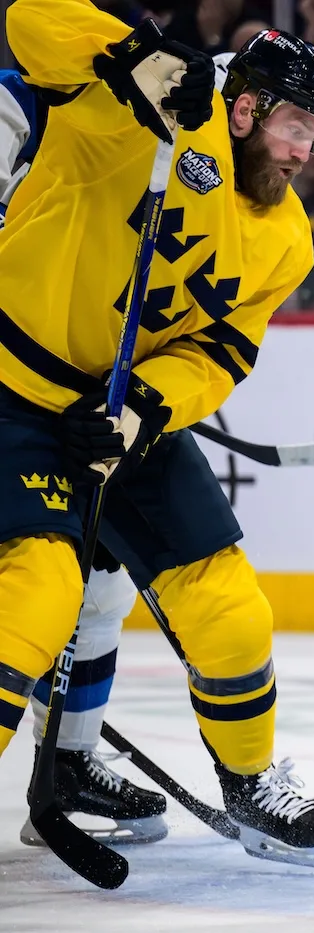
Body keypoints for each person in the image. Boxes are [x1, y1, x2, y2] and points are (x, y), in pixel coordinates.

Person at [0, 9, 314, 866]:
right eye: (299, 126)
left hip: (124, 415)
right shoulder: (142, 113)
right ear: (247, 109)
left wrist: (146, 406)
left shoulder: (286, 240)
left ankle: (253, 779)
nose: (307, 153)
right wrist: (130, 54)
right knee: (36, 600)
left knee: (229, 605)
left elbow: (221, 353)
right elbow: (30, 20)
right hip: (14, 391)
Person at [0, 67, 170, 847]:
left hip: (57, 395)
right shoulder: (19, 101)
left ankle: (66, 763)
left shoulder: (107, 114)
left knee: (98, 575)